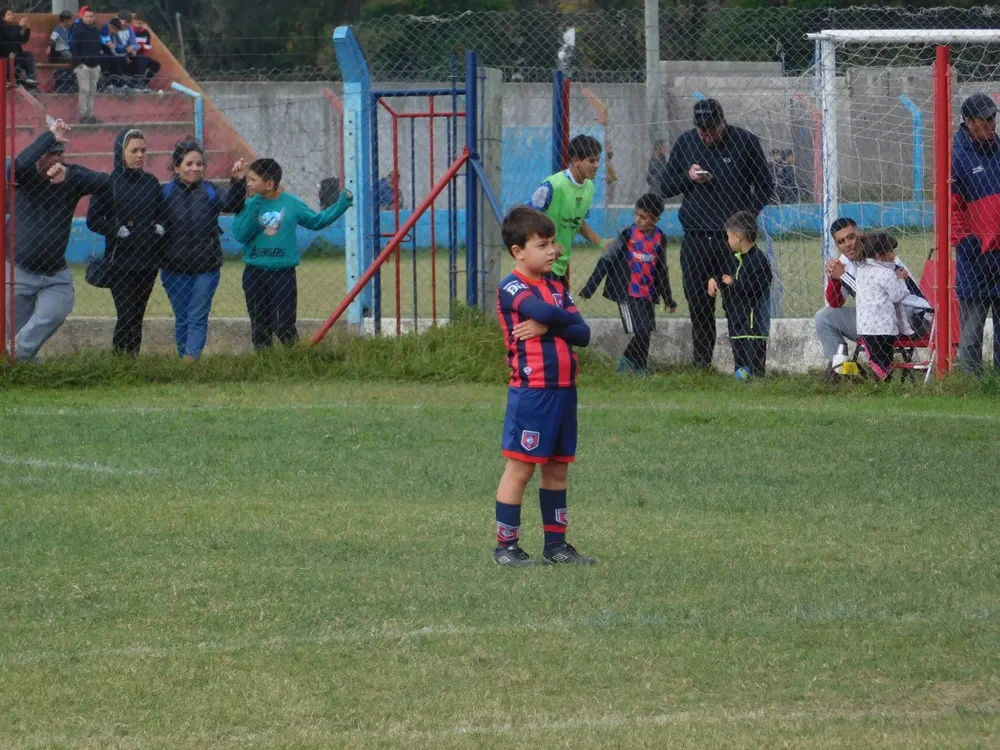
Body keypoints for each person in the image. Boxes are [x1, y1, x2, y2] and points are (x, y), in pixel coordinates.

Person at [494, 206, 594, 567]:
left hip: (564, 390)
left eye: (553, 243)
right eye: (542, 245)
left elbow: (583, 334)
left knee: (557, 468)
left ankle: (556, 546)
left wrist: (550, 326)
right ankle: (506, 547)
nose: (552, 251)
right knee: (521, 468)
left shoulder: (556, 287)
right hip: (533, 392)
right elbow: (546, 313)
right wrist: (556, 322)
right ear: (518, 251)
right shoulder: (512, 287)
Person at [655, 98, 774, 370]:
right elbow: (665, 187)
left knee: (738, 305)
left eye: (711, 130)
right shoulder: (686, 142)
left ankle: (745, 366)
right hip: (696, 238)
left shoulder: (745, 142)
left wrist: (745, 219)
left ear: (723, 122)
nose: (706, 136)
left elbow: (765, 185)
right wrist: (688, 177)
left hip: (732, 242)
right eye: (702, 131)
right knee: (699, 305)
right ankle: (702, 365)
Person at [6, 119, 111, 361]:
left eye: (59, 153)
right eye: (50, 153)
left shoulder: (69, 177)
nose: (57, 158)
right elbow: (16, 167)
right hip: (18, 270)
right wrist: (49, 136)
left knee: (58, 308)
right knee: (17, 333)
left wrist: (70, 175)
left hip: (55, 273)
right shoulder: (24, 176)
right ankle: (21, 365)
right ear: (39, 155)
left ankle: (14, 354)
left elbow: (107, 183)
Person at [231, 158, 353, 350]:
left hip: (283, 275)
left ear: (269, 184)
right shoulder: (249, 204)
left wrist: (341, 204)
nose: (249, 184)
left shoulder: (292, 203)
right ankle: (264, 363)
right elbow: (241, 235)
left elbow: (317, 221)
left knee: (284, 326)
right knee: (260, 328)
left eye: (253, 180)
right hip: (254, 274)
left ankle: (297, 359)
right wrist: (256, 203)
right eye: (248, 179)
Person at [160, 140, 248, 360]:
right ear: (177, 166)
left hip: (206, 267)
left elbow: (233, 205)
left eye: (199, 164)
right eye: (189, 164)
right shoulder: (165, 192)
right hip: (173, 268)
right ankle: (185, 359)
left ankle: (190, 360)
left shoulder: (210, 190)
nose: (195, 168)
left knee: (197, 317)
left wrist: (238, 183)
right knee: (182, 318)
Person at [85, 128, 165, 356]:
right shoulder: (107, 183)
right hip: (120, 262)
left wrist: (160, 228)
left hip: (147, 262)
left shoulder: (151, 182)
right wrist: (116, 230)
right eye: (134, 151)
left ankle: (132, 361)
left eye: (143, 151)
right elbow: (93, 219)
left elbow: (162, 213)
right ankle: (120, 360)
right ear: (121, 152)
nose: (140, 155)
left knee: (137, 316)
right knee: (126, 315)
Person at [580, 192, 677, 375]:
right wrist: (589, 287)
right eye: (636, 214)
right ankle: (625, 364)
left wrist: (668, 299)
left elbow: (662, 270)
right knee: (640, 331)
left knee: (646, 332)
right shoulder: (627, 235)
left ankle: (640, 368)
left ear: (655, 219)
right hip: (627, 293)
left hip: (647, 294)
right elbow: (606, 260)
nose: (637, 219)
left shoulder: (660, 239)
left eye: (643, 217)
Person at [816, 217, 930, 371]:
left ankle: (872, 371)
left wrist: (842, 276)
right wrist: (835, 279)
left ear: (860, 235)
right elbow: (836, 303)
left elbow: (873, 295)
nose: (847, 244)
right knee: (824, 317)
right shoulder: (845, 261)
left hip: (908, 320)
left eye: (851, 237)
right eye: (841, 241)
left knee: (864, 312)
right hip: (877, 317)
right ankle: (841, 368)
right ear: (837, 245)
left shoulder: (879, 253)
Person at [952, 93, 1000, 377]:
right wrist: (968, 244)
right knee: (971, 331)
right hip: (975, 259)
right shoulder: (956, 157)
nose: (992, 123)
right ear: (969, 122)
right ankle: (971, 385)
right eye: (985, 119)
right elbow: (951, 209)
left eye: (993, 117)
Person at [527, 134, 608, 285]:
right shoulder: (553, 185)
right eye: (591, 160)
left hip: (560, 265)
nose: (597, 165)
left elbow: (578, 222)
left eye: (598, 160)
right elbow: (527, 219)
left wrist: (602, 243)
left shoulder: (589, 188)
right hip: (541, 263)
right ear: (576, 161)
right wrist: (548, 244)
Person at [708, 211, 773, 379]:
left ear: (737, 237)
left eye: (728, 236)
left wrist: (734, 283)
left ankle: (756, 382)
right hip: (735, 320)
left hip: (753, 324)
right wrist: (714, 281)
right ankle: (742, 382)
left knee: (754, 363)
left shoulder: (758, 260)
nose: (727, 240)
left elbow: (758, 287)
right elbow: (723, 276)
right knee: (739, 360)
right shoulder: (732, 258)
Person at [854, 232, 911, 382]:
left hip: (866, 327)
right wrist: (901, 280)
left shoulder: (861, 270)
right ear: (879, 255)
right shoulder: (886, 273)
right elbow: (897, 295)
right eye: (890, 251)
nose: (893, 255)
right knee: (885, 359)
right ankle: (883, 385)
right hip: (885, 327)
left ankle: (880, 385)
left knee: (876, 361)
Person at [70, 7, 103, 124]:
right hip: (83, 66)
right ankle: (83, 116)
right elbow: (73, 47)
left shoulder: (95, 30)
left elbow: (98, 46)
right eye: (87, 16)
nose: (89, 18)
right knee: (84, 90)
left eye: (91, 16)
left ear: (94, 17)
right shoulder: (77, 29)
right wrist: (79, 63)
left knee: (93, 91)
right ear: (82, 17)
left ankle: (90, 115)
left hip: (95, 65)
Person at [0, 8, 37, 89]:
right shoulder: (2, 28)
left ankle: (31, 78)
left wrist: (27, 29)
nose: (11, 16)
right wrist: (20, 26)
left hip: (17, 57)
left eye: (12, 14)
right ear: (3, 17)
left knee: (28, 54)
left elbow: (23, 40)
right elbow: (11, 35)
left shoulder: (13, 28)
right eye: (9, 15)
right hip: (6, 59)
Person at [129, 13, 161, 87]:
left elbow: (148, 46)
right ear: (133, 22)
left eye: (140, 23)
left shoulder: (146, 33)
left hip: (141, 54)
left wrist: (141, 46)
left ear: (144, 23)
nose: (137, 25)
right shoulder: (130, 31)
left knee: (156, 65)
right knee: (142, 58)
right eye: (136, 23)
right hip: (131, 55)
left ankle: (145, 82)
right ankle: (137, 82)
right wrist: (136, 47)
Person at [99, 17, 128, 89]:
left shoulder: (114, 34)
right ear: (112, 27)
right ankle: (108, 83)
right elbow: (102, 38)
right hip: (102, 52)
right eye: (117, 30)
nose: (117, 32)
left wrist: (125, 51)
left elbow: (117, 46)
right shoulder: (105, 30)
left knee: (118, 59)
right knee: (107, 58)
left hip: (110, 52)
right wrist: (107, 42)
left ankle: (119, 82)